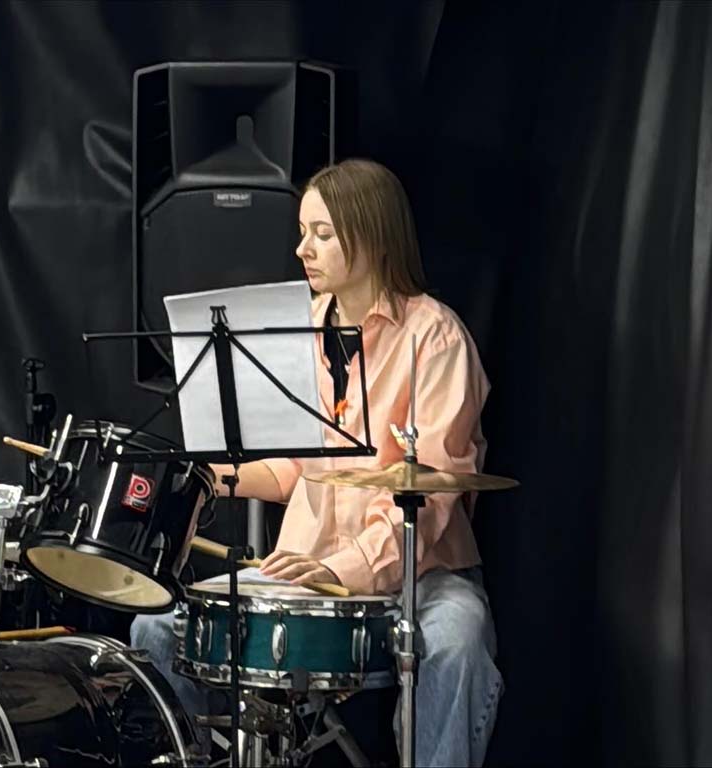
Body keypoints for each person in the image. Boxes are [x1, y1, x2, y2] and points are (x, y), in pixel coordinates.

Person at [132, 158, 503, 767]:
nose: (302, 249)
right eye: (303, 232)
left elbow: (431, 495)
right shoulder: (295, 330)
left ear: (373, 235)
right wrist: (207, 478)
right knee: (155, 629)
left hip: (423, 578)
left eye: (322, 234)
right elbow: (291, 470)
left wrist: (340, 568)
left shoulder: (435, 339)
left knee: (456, 644)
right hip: (303, 572)